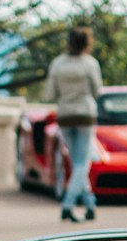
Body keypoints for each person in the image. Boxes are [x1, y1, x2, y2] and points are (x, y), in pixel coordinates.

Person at [43, 26, 102, 223]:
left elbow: (50, 93)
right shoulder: (90, 64)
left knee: (77, 161)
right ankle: (68, 204)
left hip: (66, 114)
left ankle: (90, 203)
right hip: (85, 113)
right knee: (82, 162)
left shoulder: (58, 64)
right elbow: (97, 90)